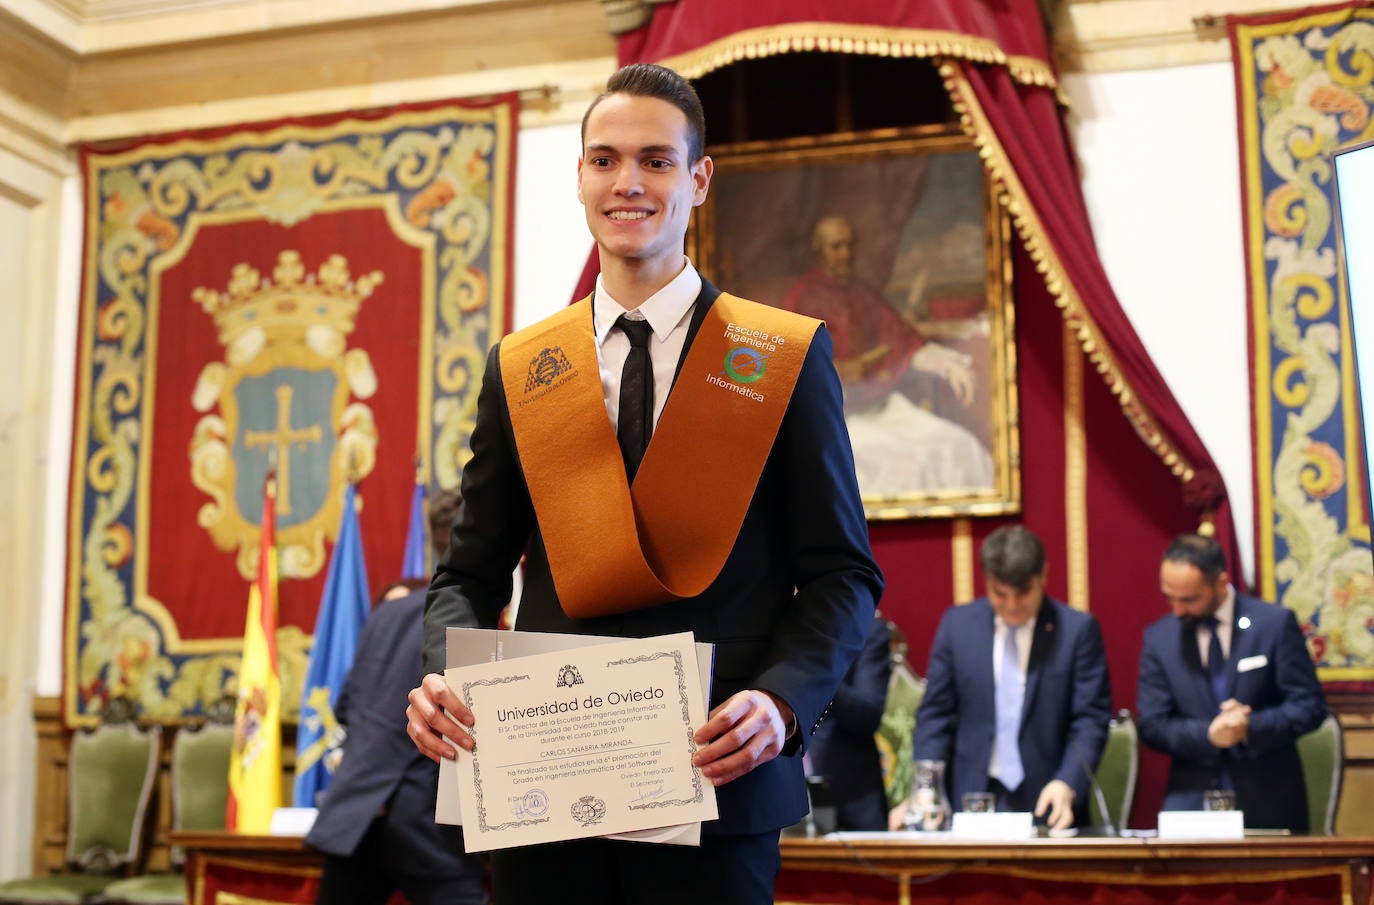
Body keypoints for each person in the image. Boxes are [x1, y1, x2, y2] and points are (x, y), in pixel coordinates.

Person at [404, 63, 883, 905]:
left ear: (698, 179)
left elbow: (845, 576)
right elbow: (467, 576)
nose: (628, 182)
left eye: (656, 160)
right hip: (541, 794)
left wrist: (781, 701)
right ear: (582, 178)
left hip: (717, 787)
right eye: (605, 159)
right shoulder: (521, 368)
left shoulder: (782, 358)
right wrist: (441, 672)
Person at [307, 489, 488, 905]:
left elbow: (346, 705)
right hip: (422, 819)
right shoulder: (477, 621)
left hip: (356, 811)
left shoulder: (385, 613)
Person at [893, 525, 1112, 831]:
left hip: (1049, 797)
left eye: (1023, 593)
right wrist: (925, 789)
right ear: (986, 581)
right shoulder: (958, 626)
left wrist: (1068, 781)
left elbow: (1090, 720)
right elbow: (935, 715)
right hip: (970, 796)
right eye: (1000, 594)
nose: (1011, 605)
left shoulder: (1077, 631)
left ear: (1043, 576)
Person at [781, 215, 993, 496]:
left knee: (960, 445)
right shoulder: (802, 296)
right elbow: (785, 362)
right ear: (819, 251)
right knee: (897, 464)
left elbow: (902, 340)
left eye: (849, 245)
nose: (845, 254)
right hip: (835, 420)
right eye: (836, 247)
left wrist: (948, 364)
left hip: (883, 408)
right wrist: (837, 372)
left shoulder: (862, 293)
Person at [1137, 533, 1327, 832]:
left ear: (1221, 583)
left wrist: (1250, 727)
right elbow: (1152, 725)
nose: (1177, 610)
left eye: (1188, 599)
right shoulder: (1160, 638)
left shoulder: (1273, 625)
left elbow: (1310, 707)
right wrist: (1209, 734)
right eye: (1169, 597)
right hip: (1190, 804)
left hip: (1268, 799)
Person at [804, 613, 893, 831]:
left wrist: (816, 673)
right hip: (776, 793)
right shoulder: (767, 627)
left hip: (849, 799)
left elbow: (868, 714)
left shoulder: (868, 630)